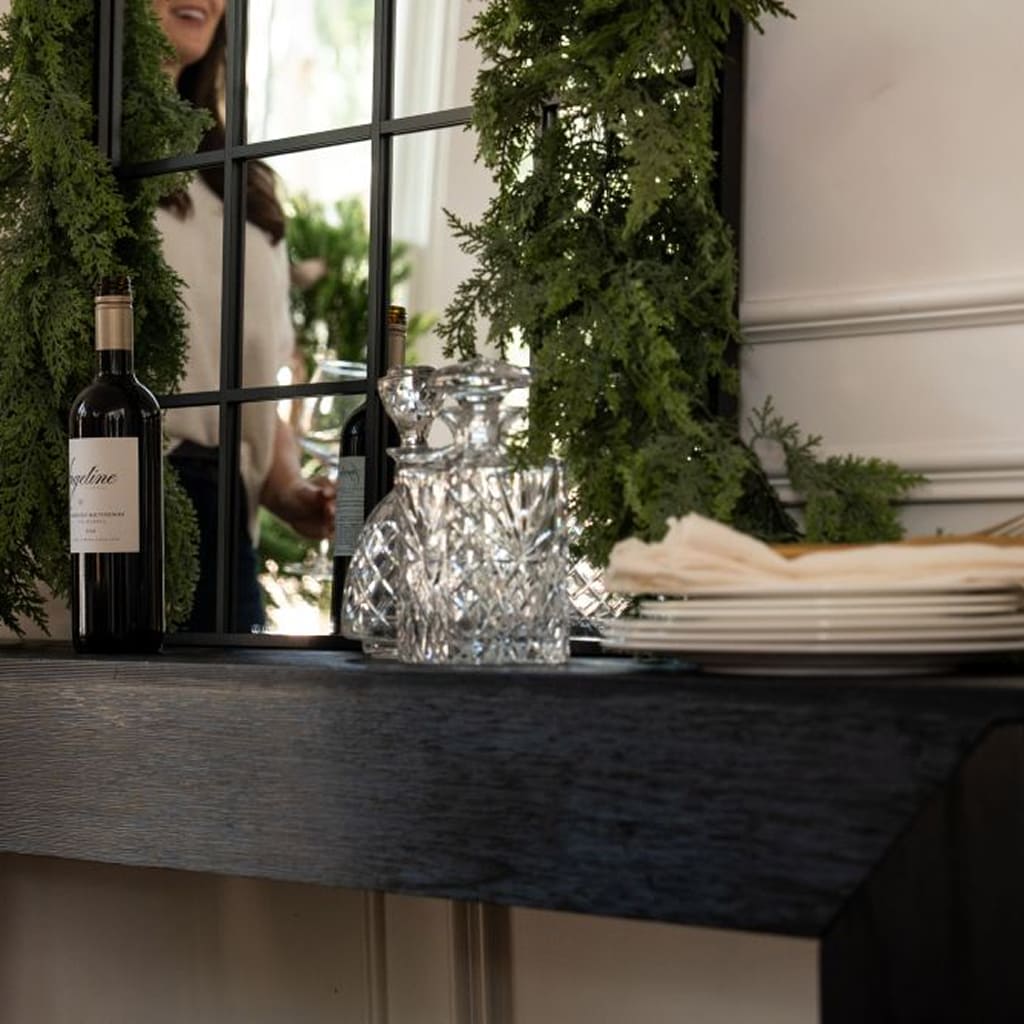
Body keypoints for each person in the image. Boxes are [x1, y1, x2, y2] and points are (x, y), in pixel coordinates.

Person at [152, 0, 335, 632]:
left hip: (228, 528)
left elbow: (247, 384)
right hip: (109, 516)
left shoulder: (243, 185)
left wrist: (289, 490)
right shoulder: (61, 169)